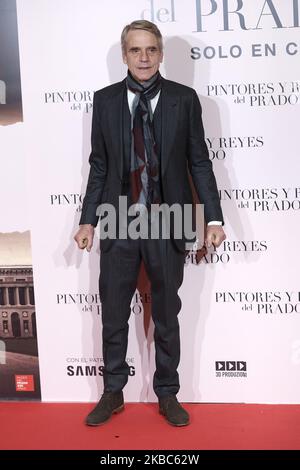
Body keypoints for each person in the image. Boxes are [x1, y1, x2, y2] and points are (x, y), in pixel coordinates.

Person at [74, 20, 226, 427]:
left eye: (151, 50)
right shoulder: (104, 101)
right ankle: (112, 393)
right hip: (119, 219)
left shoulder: (184, 99)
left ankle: (168, 393)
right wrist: (88, 221)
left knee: (166, 312)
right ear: (125, 55)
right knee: (113, 312)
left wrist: (213, 216)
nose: (144, 58)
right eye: (136, 50)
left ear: (161, 54)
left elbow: (199, 162)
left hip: (167, 219)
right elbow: (100, 167)